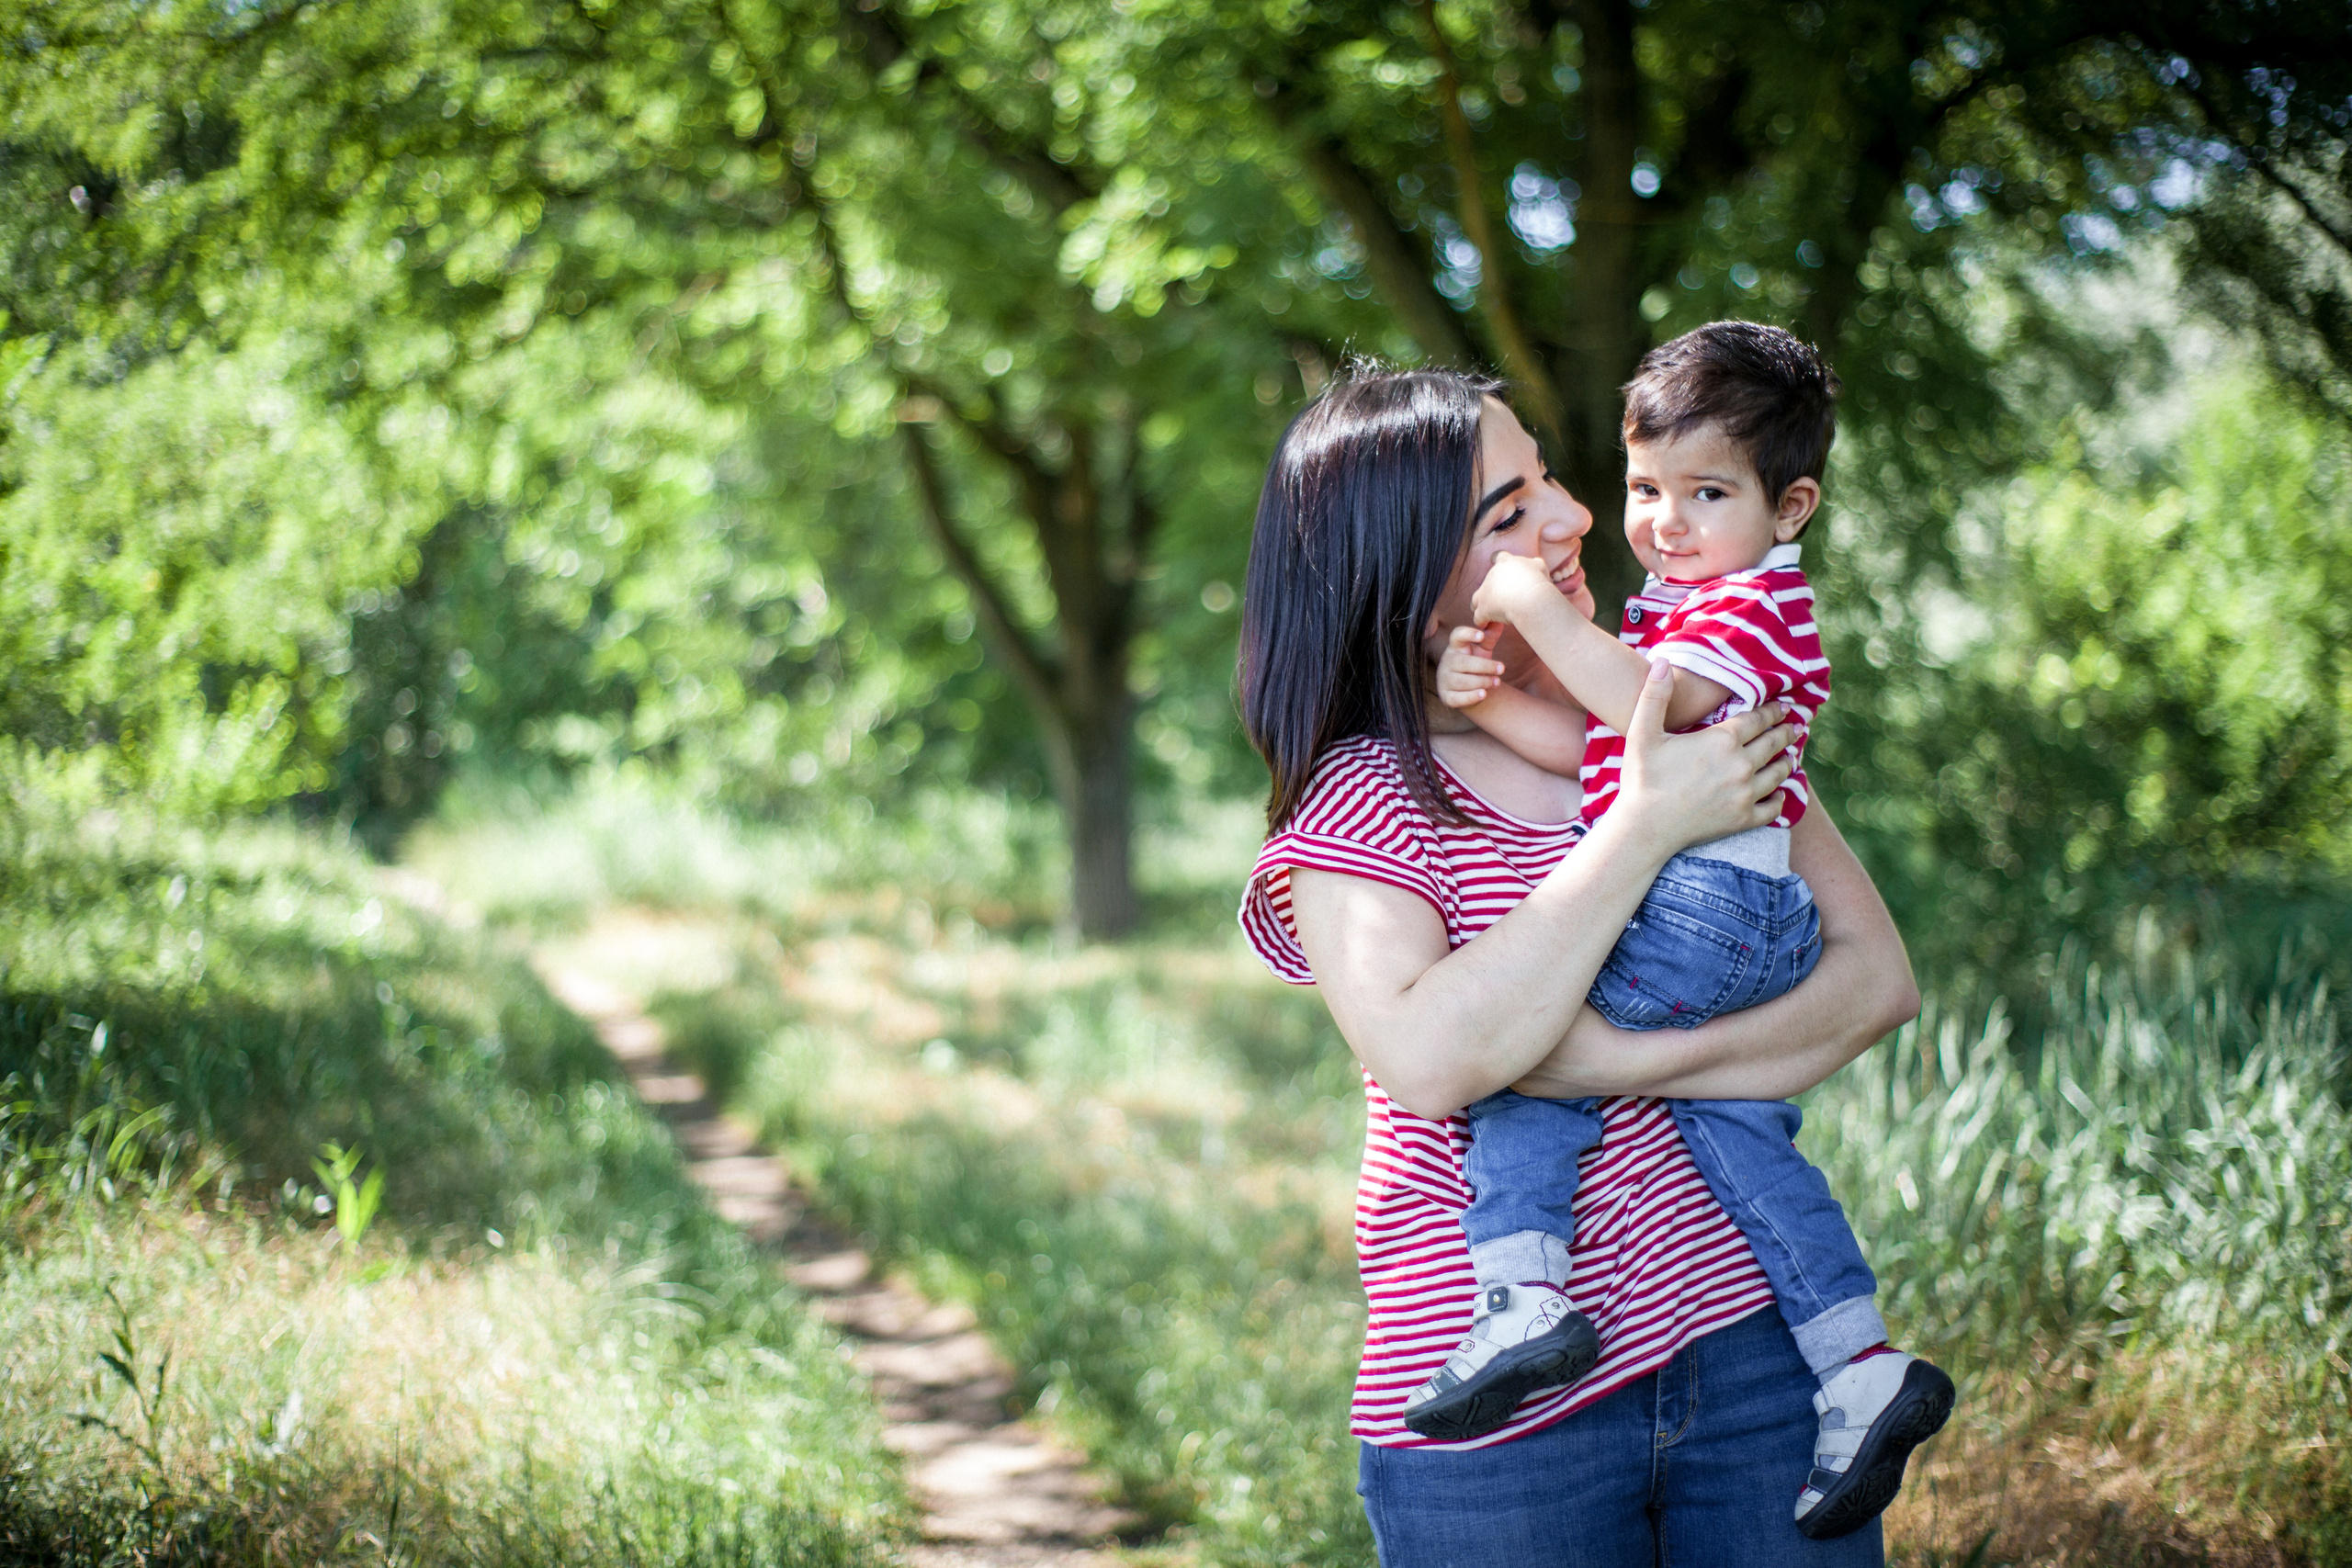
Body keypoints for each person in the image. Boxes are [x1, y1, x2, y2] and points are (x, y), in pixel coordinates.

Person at [1236, 363, 1921, 1563]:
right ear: (1405, 571)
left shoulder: (1664, 703)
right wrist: (1646, 826)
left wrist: (1589, 1061)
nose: (1575, 516)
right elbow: (1434, 1057)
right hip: (1504, 1421)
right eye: (1509, 512)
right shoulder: (1363, 804)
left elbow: (1873, 985)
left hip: (1755, 1353)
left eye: (1549, 476)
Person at [1417, 322, 1951, 1540]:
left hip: (1709, 908)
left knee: (1528, 1058)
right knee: (1745, 1142)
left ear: (1791, 504)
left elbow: (1663, 712)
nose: (1661, 520)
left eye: (1706, 493)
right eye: (1646, 488)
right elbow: (1604, 745)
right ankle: (1859, 1364)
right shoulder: (1679, 600)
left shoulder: (1757, 606)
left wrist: (1533, 623)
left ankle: (1521, 1292)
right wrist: (1486, 692)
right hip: (1724, 906)